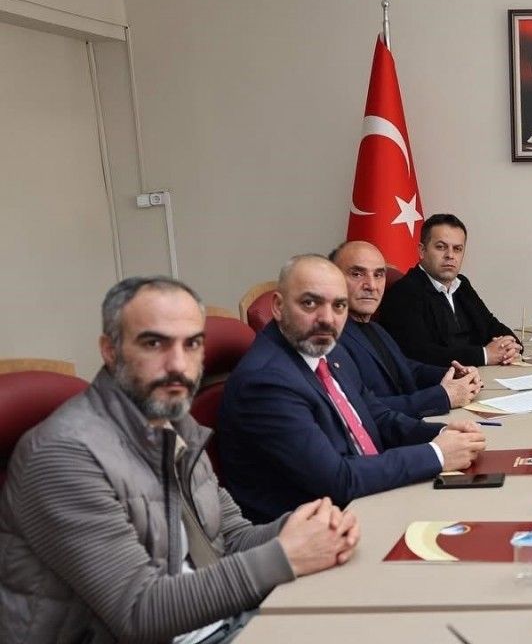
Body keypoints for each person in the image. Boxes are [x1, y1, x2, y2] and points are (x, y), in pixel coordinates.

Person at [0, 276, 359, 643]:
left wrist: (300, 528)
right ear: (110, 351)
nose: (178, 364)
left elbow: (230, 539)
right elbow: (138, 612)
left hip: (224, 623)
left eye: (192, 344)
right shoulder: (63, 455)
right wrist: (285, 556)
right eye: (154, 343)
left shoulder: (175, 423)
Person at [220, 255, 487, 523]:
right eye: (310, 303)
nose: (327, 319)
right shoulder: (266, 381)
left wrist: (443, 434)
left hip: (368, 497)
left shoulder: (328, 351)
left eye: (339, 306)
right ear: (278, 307)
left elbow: (378, 417)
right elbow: (337, 480)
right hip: (321, 526)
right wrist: (436, 454)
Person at [330, 240, 482, 416]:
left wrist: (454, 374)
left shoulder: (375, 328)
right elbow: (359, 409)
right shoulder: (329, 338)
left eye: (378, 275)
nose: (371, 286)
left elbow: (407, 370)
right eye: (357, 274)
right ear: (332, 280)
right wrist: (443, 397)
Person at [378, 214, 522, 367]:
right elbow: (419, 354)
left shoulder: (462, 284)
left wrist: (511, 346)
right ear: (422, 251)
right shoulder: (404, 292)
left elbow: (491, 326)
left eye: (457, 249)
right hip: (441, 379)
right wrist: (485, 355)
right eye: (441, 247)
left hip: (480, 374)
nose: (450, 255)